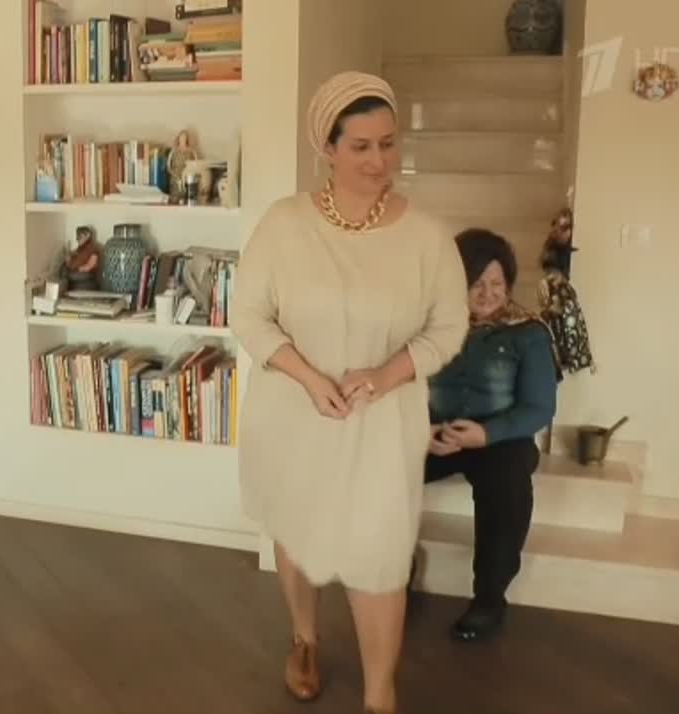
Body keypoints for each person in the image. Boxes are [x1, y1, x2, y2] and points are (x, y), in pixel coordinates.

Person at [229, 71, 469, 713]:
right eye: (360, 146)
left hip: (382, 420)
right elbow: (248, 316)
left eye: (388, 143)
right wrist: (310, 379)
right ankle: (304, 639)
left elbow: (449, 327)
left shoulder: (428, 237)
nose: (378, 160)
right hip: (293, 411)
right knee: (296, 528)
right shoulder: (284, 224)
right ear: (327, 148)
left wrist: (387, 374)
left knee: (381, 551)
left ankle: (379, 695)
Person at [424, 228, 559, 642]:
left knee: (508, 481)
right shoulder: (431, 327)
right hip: (436, 435)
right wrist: (420, 430)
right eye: (476, 283)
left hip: (499, 441)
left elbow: (539, 408)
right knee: (379, 461)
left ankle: (489, 598)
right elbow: (406, 384)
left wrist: (485, 433)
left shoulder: (528, 333)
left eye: (497, 283)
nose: (487, 293)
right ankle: (392, 572)